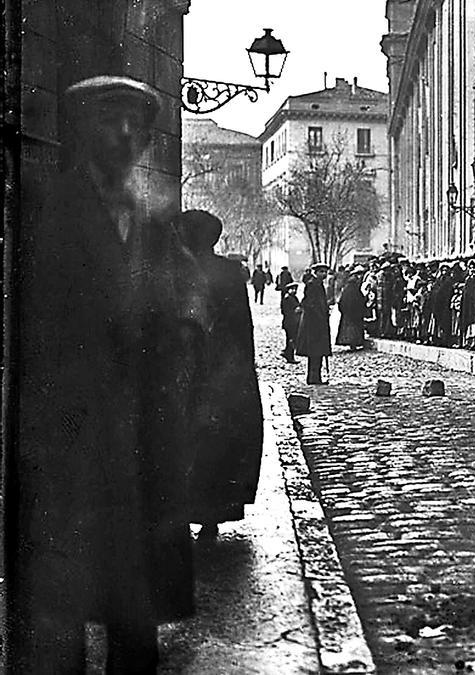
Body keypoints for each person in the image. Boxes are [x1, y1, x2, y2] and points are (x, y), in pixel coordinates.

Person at [14, 75, 206, 672]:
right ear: (82, 130)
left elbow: (181, 309)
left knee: (135, 603)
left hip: (140, 437)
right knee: (61, 607)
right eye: (110, 121)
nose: (125, 136)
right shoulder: (49, 211)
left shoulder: (147, 223)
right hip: (71, 434)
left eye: (136, 126)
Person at [175, 210, 263, 540]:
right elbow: (244, 327)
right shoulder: (230, 271)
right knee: (216, 442)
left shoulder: (183, 269)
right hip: (226, 367)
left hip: (197, 365)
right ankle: (210, 516)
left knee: (192, 439)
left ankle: (187, 511)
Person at [296, 264, 333, 384]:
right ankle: (313, 378)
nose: (324, 274)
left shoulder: (318, 284)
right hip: (314, 324)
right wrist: (320, 316)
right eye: (322, 272)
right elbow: (310, 303)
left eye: (325, 272)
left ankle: (316, 377)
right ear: (316, 272)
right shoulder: (312, 284)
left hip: (318, 322)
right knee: (315, 351)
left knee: (318, 351)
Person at [336, 266, 369, 350]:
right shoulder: (353, 286)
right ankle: (354, 343)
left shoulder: (349, 286)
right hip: (353, 311)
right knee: (353, 329)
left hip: (348, 311)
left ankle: (352, 344)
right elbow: (356, 299)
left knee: (349, 328)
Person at [281, 282, 302, 362]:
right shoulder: (287, 298)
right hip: (290, 322)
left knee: (290, 338)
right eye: (292, 289)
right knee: (291, 339)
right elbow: (285, 311)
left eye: (295, 289)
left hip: (293, 322)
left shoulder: (293, 298)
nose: (294, 291)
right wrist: (295, 310)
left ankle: (287, 352)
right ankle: (289, 355)